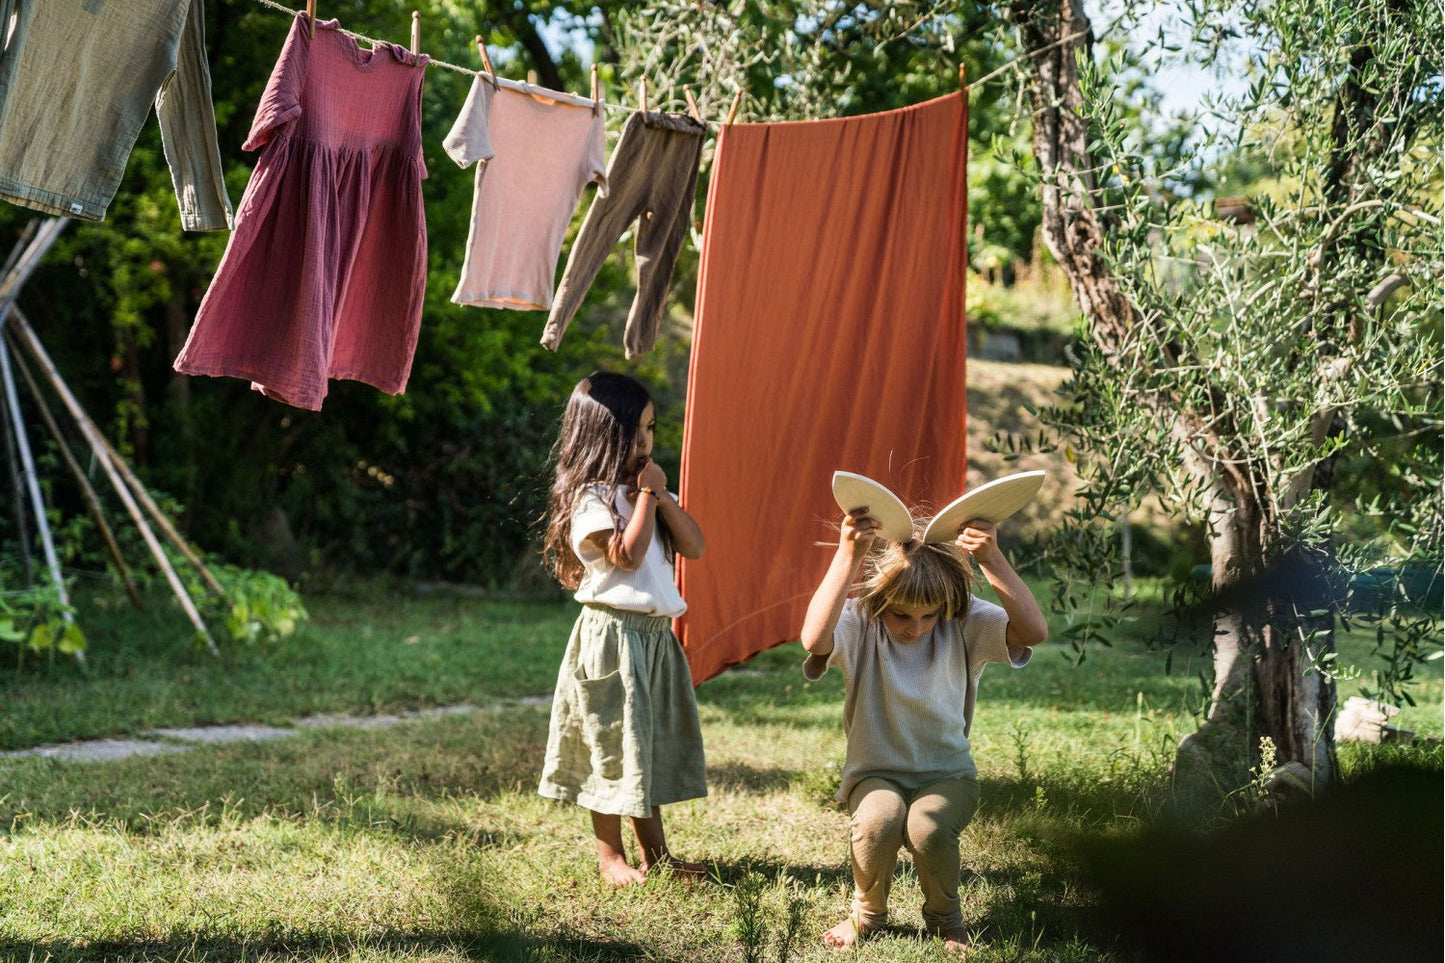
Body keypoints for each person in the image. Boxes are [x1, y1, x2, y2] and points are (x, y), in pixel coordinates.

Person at [800, 503, 1049, 954]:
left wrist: (991, 557)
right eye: (901, 615)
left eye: (928, 616)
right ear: (879, 601)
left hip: (947, 776)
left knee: (928, 828)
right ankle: (867, 914)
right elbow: (815, 640)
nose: (915, 628)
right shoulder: (861, 622)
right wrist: (848, 554)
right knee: (878, 821)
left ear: (944, 608)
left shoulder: (962, 620)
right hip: (875, 774)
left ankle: (945, 919)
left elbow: (1032, 631)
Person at [537, 370, 709, 885]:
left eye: (651, 429)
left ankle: (658, 857)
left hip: (654, 641)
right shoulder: (592, 499)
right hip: (612, 639)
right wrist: (648, 498)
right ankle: (610, 856)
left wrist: (662, 497)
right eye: (636, 432)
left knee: (644, 747)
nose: (646, 442)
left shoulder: (646, 495)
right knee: (611, 744)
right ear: (603, 436)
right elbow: (627, 557)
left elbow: (695, 546)